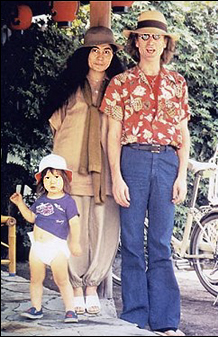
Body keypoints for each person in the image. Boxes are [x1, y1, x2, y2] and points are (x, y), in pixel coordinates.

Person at [100, 10, 190, 336]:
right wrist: (116, 176)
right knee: (133, 243)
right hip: (132, 162)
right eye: (144, 36)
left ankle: (166, 322)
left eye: (157, 37)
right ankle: (135, 319)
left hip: (167, 162)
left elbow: (183, 134)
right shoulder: (120, 84)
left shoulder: (177, 83)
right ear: (136, 42)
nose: (150, 43)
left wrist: (181, 175)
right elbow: (112, 133)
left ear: (165, 42)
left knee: (161, 243)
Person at [48, 26, 124, 315]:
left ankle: (92, 284)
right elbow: (55, 122)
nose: (101, 57)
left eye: (107, 51)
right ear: (84, 54)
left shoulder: (119, 87)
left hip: (106, 166)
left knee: (104, 226)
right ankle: (76, 286)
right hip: (70, 166)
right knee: (71, 226)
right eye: (95, 50)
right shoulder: (69, 85)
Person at [10, 154, 82, 323]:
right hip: (38, 247)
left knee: (61, 280)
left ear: (65, 179)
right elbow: (31, 217)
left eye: (57, 177)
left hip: (57, 247)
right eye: (47, 177)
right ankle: (36, 308)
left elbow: (75, 224)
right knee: (35, 279)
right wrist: (21, 204)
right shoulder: (41, 200)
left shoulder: (68, 202)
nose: (52, 181)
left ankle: (71, 310)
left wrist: (75, 243)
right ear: (42, 181)